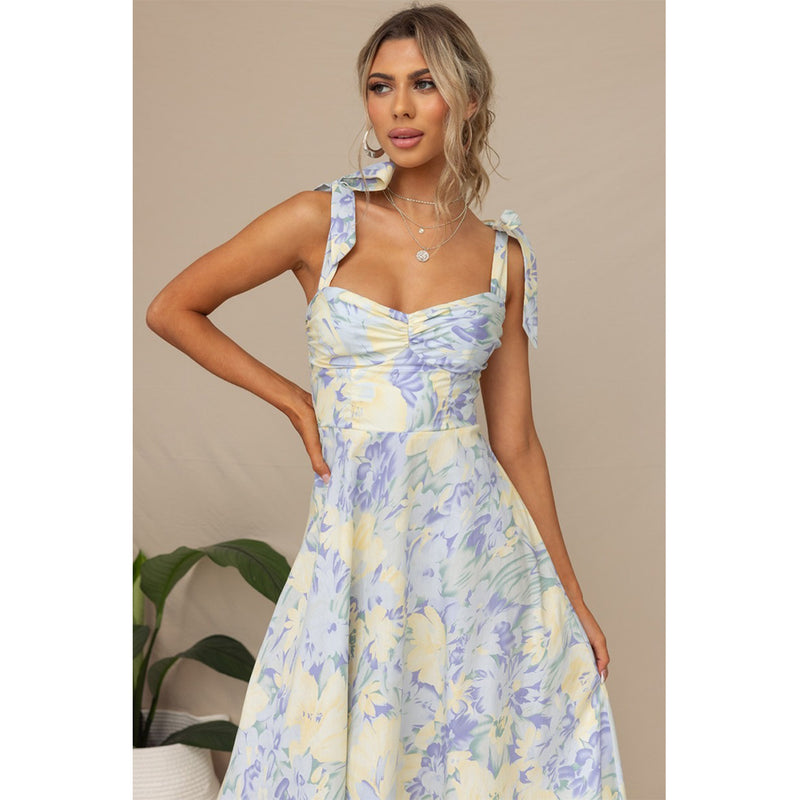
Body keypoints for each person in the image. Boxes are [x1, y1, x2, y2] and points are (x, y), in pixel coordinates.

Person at [146, 3, 627, 798]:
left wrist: (571, 596)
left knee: (461, 758)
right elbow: (172, 309)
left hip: (473, 553)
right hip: (356, 544)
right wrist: (295, 401)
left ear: (468, 99)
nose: (399, 107)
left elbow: (515, 442)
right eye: (381, 86)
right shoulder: (321, 220)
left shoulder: (503, 258)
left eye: (423, 84)